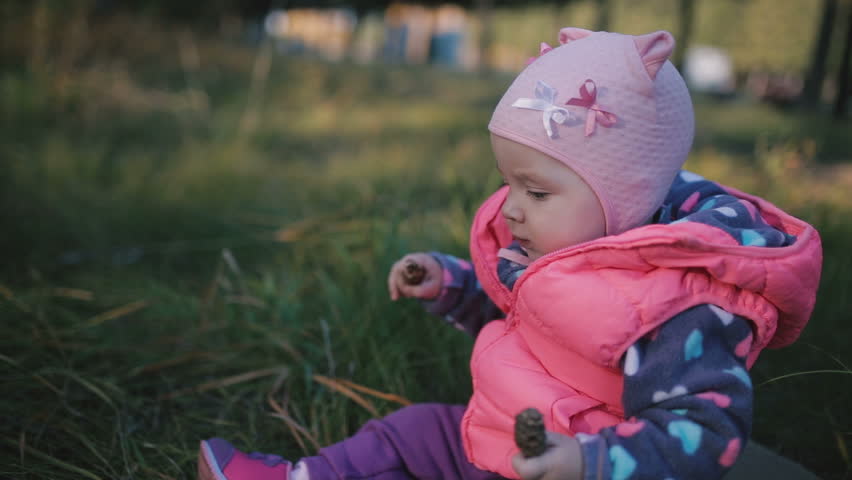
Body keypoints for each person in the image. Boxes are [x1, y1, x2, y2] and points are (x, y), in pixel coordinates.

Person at [197, 27, 822, 480]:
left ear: (626, 199)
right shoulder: (562, 247)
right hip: (499, 437)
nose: (512, 207)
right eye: (509, 183)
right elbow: (526, 315)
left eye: (538, 190)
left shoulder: (679, 304)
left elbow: (703, 437)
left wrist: (587, 461)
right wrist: (452, 286)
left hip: (574, 463)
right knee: (413, 431)